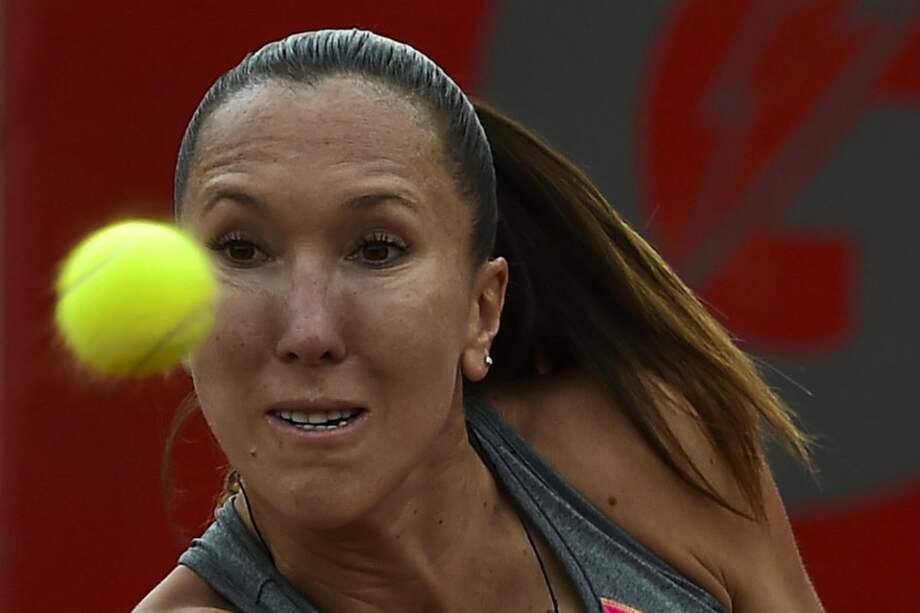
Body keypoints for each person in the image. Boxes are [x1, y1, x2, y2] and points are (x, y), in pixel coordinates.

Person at [135, 29, 825, 613]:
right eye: (241, 249)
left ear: (481, 309)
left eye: (377, 248)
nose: (309, 331)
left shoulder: (663, 443)